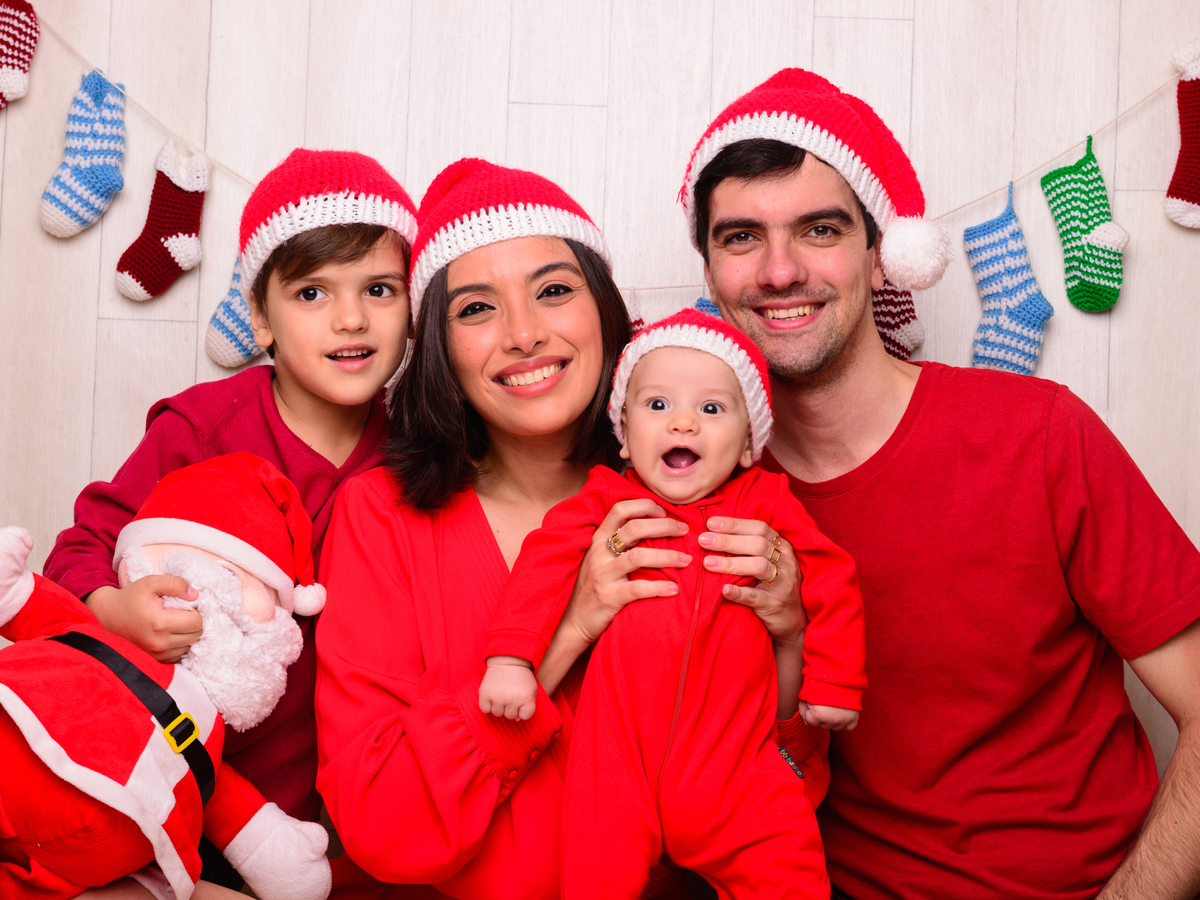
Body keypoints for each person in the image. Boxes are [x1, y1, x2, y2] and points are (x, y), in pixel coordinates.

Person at [679, 67, 1200, 900]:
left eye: (818, 230)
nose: (779, 272)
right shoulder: (696, 489)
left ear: (882, 251)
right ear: (708, 269)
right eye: (741, 237)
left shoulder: (1038, 435)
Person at [314, 159, 822, 900]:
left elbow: (787, 799)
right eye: (476, 309)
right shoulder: (381, 517)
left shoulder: (711, 490)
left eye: (554, 290)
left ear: (606, 312)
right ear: (439, 353)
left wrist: (788, 634)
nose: (523, 334)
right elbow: (385, 830)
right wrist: (566, 631)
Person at [41, 148, 419, 891]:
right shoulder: (206, 429)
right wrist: (116, 608)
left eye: (379, 289)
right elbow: (81, 546)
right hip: (173, 776)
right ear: (260, 317)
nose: (350, 318)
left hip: (328, 809)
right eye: (312, 293)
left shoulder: (420, 453)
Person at [478, 307, 866, 898]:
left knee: (790, 873)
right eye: (658, 405)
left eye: (711, 409)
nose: (682, 423)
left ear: (746, 446)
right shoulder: (606, 500)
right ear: (626, 435)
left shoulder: (765, 500)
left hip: (737, 766)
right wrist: (510, 660)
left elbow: (832, 575)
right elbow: (544, 562)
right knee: (590, 879)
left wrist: (835, 682)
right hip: (615, 769)